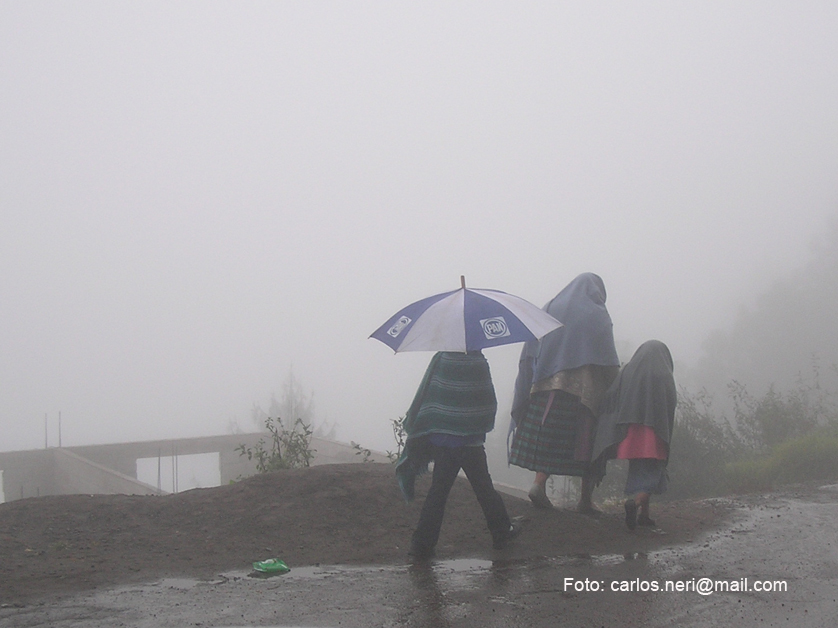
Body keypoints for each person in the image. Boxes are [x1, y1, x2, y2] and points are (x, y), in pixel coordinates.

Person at [508, 273, 620, 513]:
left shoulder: (549, 307)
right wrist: (615, 388)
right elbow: (607, 358)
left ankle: (539, 484)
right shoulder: (596, 314)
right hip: (583, 394)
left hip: (543, 388)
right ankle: (585, 500)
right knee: (587, 443)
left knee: (550, 439)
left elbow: (530, 348)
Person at [396, 350, 521, 560]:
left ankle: (421, 546)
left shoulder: (442, 359)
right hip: (470, 444)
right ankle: (501, 533)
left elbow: (431, 396)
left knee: (438, 492)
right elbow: (488, 400)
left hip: (444, 443)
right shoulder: (478, 362)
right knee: (484, 488)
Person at [590, 340, 677, 530]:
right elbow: (670, 404)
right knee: (653, 474)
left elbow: (612, 393)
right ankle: (635, 504)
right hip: (654, 434)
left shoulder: (630, 371)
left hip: (631, 435)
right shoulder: (663, 374)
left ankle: (644, 515)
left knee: (639, 470)